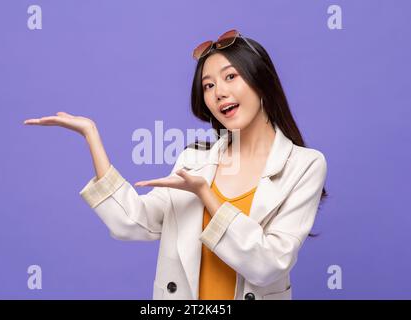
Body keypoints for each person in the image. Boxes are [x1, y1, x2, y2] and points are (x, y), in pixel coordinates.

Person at [23, 29, 328, 300]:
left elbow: (268, 265)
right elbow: (133, 221)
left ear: (262, 82)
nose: (218, 92)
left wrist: (205, 195)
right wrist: (92, 136)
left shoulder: (304, 165)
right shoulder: (193, 160)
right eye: (208, 85)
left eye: (230, 76)